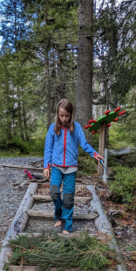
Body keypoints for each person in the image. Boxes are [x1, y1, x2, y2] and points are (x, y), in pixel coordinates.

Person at [43, 99, 104, 234]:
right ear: (58, 114)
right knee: (54, 192)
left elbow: (84, 144)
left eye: (67, 115)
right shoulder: (53, 128)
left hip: (71, 169)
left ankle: (66, 226)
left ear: (71, 114)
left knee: (68, 197)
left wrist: (94, 154)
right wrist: (46, 166)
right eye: (61, 115)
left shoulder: (76, 128)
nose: (64, 119)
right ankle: (59, 215)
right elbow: (48, 148)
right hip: (56, 167)